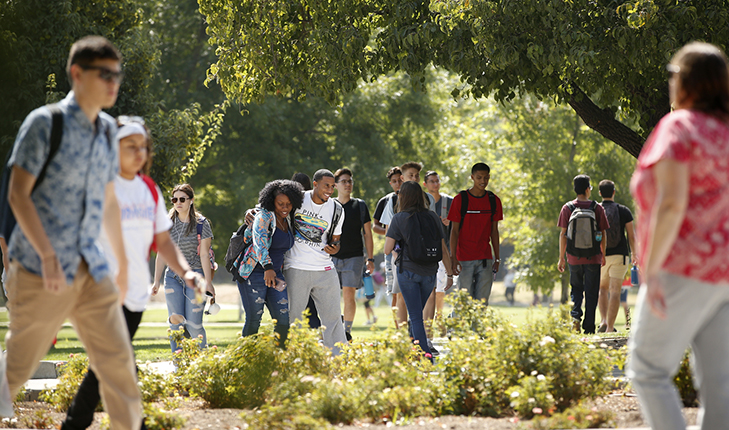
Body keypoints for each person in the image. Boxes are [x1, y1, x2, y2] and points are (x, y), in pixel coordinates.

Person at [0, 36, 143, 428]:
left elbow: (109, 199)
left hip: (92, 270)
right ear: (77, 74)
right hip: (39, 270)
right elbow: (18, 194)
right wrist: (46, 254)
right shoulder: (45, 123)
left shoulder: (109, 132)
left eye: (118, 74)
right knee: (15, 370)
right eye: (105, 74)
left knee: (118, 366)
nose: (115, 82)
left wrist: (123, 262)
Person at [62, 117, 202, 430]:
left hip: (135, 295)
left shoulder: (148, 189)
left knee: (106, 365)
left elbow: (162, 241)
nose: (139, 152)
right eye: (131, 146)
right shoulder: (100, 185)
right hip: (102, 290)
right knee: (119, 362)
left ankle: (76, 424)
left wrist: (187, 273)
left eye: (143, 147)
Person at [627, 42, 729, 430]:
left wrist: (650, 270)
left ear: (685, 81)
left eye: (673, 73)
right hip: (724, 274)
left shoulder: (679, 126)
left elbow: (671, 204)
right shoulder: (724, 132)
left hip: (683, 265)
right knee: (720, 385)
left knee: (649, 369)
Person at [384, 181, 452, 361]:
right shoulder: (433, 217)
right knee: (417, 313)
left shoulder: (399, 218)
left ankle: (426, 356)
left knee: (415, 316)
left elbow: (386, 248)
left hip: (408, 271)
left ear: (403, 197)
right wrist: (450, 273)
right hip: (430, 273)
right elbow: (443, 248)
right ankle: (413, 351)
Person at [284, 169, 348, 355]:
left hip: (325, 268)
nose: (330, 189)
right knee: (293, 318)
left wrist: (335, 248)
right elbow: (272, 208)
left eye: (332, 186)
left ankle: (339, 360)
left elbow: (335, 240)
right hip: (296, 266)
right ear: (315, 184)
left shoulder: (336, 209)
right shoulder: (297, 199)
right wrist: (251, 211)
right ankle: (290, 358)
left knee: (334, 318)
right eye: (326, 185)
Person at [234, 179, 303, 347]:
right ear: (272, 202)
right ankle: (247, 360)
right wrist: (268, 267)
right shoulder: (264, 216)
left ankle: (279, 360)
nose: (285, 208)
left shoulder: (289, 218)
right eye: (280, 204)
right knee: (253, 320)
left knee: (283, 321)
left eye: (288, 204)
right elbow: (259, 243)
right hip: (254, 272)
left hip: (276, 274)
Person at [152, 183, 215, 352]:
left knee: (194, 326)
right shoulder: (166, 223)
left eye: (182, 199)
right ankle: (178, 365)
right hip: (172, 277)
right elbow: (162, 253)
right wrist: (156, 281)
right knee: (175, 323)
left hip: (196, 277)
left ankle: (203, 363)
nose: (177, 202)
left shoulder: (202, 224)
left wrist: (208, 282)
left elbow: (204, 255)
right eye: (174, 199)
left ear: (191, 200)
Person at [557, 174, 608, 334]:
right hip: (593, 257)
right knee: (592, 291)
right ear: (587, 189)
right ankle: (589, 327)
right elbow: (603, 233)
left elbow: (562, 234)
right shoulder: (597, 207)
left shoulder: (568, 208)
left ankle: (575, 318)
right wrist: (603, 254)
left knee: (576, 289)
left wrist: (561, 258)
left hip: (573, 256)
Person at [448, 163, 503, 304]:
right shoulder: (460, 200)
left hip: (485, 258)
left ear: (489, 177)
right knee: (464, 302)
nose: (483, 181)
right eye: (479, 177)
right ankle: (458, 325)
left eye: (485, 178)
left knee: (482, 303)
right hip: (463, 259)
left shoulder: (494, 201)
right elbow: (454, 232)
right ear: (472, 177)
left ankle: (478, 327)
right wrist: (453, 258)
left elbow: (494, 232)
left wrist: (497, 258)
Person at [332, 168, 374, 341]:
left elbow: (368, 234)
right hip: (331, 257)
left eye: (350, 181)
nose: (348, 184)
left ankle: (346, 332)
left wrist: (370, 258)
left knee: (349, 295)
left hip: (354, 257)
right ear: (335, 185)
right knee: (331, 296)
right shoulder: (329, 205)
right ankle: (334, 328)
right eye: (344, 181)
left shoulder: (360, 205)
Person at [597, 179, 637, 333]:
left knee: (602, 288)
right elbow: (631, 236)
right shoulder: (624, 211)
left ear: (600, 193)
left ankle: (603, 321)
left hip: (601, 256)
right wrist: (634, 253)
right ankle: (611, 328)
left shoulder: (596, 210)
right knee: (615, 291)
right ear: (614, 192)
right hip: (620, 255)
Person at [423, 170, 453, 335]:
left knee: (440, 290)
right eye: (432, 181)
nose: (435, 184)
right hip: (426, 251)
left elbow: (459, 225)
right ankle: (428, 327)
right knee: (430, 291)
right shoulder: (422, 203)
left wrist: (451, 223)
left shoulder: (449, 201)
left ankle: (439, 319)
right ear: (425, 184)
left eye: (437, 181)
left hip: (445, 250)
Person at [372, 167, 402, 327]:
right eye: (394, 181)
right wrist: (390, 233)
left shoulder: (413, 199)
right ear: (390, 183)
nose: (398, 183)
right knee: (395, 291)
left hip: (410, 251)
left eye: (400, 180)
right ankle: (398, 329)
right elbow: (374, 226)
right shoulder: (385, 201)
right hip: (391, 251)